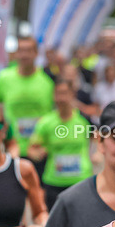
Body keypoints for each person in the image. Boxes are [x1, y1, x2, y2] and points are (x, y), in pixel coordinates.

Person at [28, 79, 94, 209]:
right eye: (58, 94)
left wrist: (96, 154)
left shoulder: (84, 120)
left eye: (64, 93)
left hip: (80, 181)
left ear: (72, 95)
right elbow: (32, 149)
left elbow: (96, 138)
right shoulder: (45, 122)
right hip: (54, 183)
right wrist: (37, 154)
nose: (61, 98)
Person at [0, 37, 55, 160]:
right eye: (21, 50)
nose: (24, 55)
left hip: (39, 150)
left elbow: (52, 116)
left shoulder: (47, 81)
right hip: (12, 149)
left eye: (28, 50)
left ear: (36, 53)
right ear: (16, 53)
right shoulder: (4, 78)